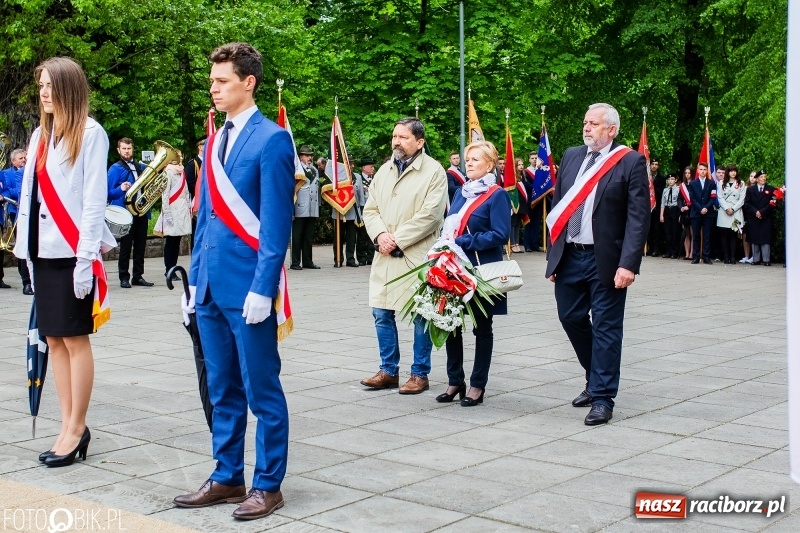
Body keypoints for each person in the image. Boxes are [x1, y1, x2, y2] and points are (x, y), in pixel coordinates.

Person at [175, 42, 294, 521]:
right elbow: (206, 219)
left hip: (249, 291)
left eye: (222, 81)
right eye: (212, 81)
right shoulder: (213, 139)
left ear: (249, 82)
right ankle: (227, 476)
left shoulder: (272, 139)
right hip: (208, 288)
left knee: (261, 388)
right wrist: (193, 284)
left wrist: (264, 287)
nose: (214, 88)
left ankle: (268, 484)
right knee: (221, 388)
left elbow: (276, 222)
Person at [14, 57, 116, 466]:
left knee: (75, 338)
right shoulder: (40, 133)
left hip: (72, 250)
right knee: (53, 339)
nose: (43, 92)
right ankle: (66, 423)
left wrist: (84, 259)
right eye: (40, 85)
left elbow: (93, 202)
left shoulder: (91, 133)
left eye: (51, 85)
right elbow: (28, 198)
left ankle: (77, 427)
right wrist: (25, 252)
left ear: (69, 89)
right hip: (41, 249)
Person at [545, 103, 649, 425]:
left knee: (606, 327)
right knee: (570, 317)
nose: (586, 128)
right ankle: (595, 375)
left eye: (593, 123)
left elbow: (638, 217)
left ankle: (602, 396)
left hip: (607, 259)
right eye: (585, 122)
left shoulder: (630, 161)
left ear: (612, 129)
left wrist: (629, 264)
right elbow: (559, 206)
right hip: (571, 255)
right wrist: (554, 256)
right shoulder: (572, 156)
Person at [360, 117, 448, 394]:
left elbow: (431, 216)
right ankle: (388, 370)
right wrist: (380, 236)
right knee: (381, 312)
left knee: (420, 314)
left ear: (419, 142)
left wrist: (396, 238)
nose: (396, 141)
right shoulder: (384, 170)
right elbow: (370, 209)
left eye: (403, 137)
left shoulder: (434, 172)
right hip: (385, 255)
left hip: (415, 256)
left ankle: (419, 374)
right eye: (395, 136)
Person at [437, 140, 511, 406]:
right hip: (453, 268)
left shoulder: (496, 194)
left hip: (481, 270)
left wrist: (464, 242)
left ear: (490, 164)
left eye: (475, 160)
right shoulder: (461, 192)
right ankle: (455, 380)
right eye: (467, 159)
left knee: (482, 327)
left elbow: (501, 234)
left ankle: (478, 385)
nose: (468, 163)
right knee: (451, 324)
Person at [107, 137, 153, 288]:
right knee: (126, 246)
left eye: (129, 148)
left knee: (140, 245)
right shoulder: (115, 169)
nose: (127, 151)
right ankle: (124, 277)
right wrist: (121, 189)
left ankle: (138, 276)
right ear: (119, 150)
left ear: (133, 149)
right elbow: (108, 193)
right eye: (124, 149)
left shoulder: (140, 167)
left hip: (141, 211)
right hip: (125, 213)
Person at [154, 152, 192, 280]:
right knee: (171, 242)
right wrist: (167, 214)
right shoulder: (168, 172)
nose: (181, 158)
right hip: (172, 210)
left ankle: (174, 267)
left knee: (177, 241)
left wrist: (188, 207)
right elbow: (165, 195)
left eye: (182, 156)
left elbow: (186, 191)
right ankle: (169, 269)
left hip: (181, 211)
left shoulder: (182, 171)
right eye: (179, 156)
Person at [1, 148, 34, 293]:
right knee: (23, 244)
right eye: (20, 158)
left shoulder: (30, 171)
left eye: (24, 157)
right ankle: (26, 281)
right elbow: (7, 191)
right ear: (13, 161)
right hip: (17, 212)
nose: (23, 160)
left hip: (33, 212)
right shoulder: (7, 174)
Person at [290, 145, 320, 270]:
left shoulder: (314, 170)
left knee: (308, 237)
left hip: (312, 208)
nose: (310, 158)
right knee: (297, 236)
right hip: (300, 208)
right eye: (307, 155)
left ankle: (308, 261)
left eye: (311, 155)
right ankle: (295, 262)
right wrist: (291, 209)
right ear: (301, 157)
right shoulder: (297, 171)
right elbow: (291, 191)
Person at [743, 169, 775, 266]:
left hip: (765, 217)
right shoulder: (750, 190)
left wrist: (762, 212)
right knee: (754, 238)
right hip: (754, 217)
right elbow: (747, 204)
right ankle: (756, 259)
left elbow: (772, 204)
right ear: (757, 179)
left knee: (765, 239)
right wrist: (756, 212)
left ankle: (766, 260)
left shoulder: (771, 189)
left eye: (765, 177)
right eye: (761, 177)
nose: (763, 179)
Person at [716, 164, 745, 264]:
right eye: (731, 171)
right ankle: (726, 257)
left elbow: (742, 199)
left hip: (735, 211)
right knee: (724, 234)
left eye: (735, 171)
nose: (733, 173)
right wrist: (726, 208)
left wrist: (733, 208)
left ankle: (733, 257)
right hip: (724, 211)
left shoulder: (741, 183)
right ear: (728, 172)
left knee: (734, 235)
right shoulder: (721, 183)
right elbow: (719, 197)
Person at [689, 162, 716, 264]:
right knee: (695, 236)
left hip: (708, 213)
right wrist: (700, 208)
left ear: (707, 171)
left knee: (707, 236)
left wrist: (706, 208)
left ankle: (706, 256)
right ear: (698, 171)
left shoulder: (711, 183)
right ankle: (695, 256)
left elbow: (713, 198)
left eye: (704, 169)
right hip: (696, 213)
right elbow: (692, 198)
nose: (703, 171)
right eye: (701, 169)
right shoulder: (692, 183)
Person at [184, 136, 205, 250]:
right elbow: (190, 184)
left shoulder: (212, 162)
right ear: (200, 147)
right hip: (197, 203)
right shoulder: (193, 164)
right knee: (197, 234)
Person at [354, 157, 375, 266]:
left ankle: (370, 256)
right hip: (362, 208)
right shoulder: (358, 179)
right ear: (364, 168)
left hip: (373, 209)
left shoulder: (375, 178)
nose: (373, 168)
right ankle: (361, 257)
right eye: (370, 166)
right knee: (362, 235)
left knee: (371, 234)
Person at [646, 158, 666, 257]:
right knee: (648, 228)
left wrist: (652, 187)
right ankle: (648, 248)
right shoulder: (645, 177)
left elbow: (662, 192)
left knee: (656, 228)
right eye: (652, 164)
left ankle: (656, 249)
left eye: (656, 164)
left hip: (656, 206)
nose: (654, 166)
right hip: (646, 206)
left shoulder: (661, 178)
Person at [659, 173, 681, 259]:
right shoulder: (665, 190)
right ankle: (668, 251)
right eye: (669, 179)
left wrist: (680, 214)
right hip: (667, 210)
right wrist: (661, 215)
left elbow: (679, 202)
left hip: (675, 209)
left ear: (675, 180)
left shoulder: (678, 189)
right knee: (667, 232)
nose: (670, 181)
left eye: (672, 179)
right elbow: (662, 203)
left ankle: (674, 252)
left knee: (674, 231)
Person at [740, 170, 759, 263]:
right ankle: (746, 256)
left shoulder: (758, 188)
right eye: (751, 176)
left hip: (754, 213)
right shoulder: (744, 187)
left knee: (753, 235)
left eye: (755, 176)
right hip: (744, 213)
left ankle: (754, 256)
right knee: (744, 235)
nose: (752, 178)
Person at [509, 158, 525, 252]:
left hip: (522, 203)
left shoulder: (523, 175)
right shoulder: (513, 176)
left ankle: (517, 243)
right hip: (515, 202)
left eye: (522, 164)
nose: (521, 166)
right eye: (519, 165)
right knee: (512, 223)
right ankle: (512, 244)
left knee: (517, 224)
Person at [679, 166, 694, 260]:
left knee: (693, 233)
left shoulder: (695, 184)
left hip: (692, 210)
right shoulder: (682, 186)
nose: (687, 175)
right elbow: (679, 198)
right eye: (686, 173)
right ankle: (687, 253)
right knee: (686, 233)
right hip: (684, 212)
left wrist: (688, 206)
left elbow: (695, 198)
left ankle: (692, 253)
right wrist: (681, 207)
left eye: (689, 173)